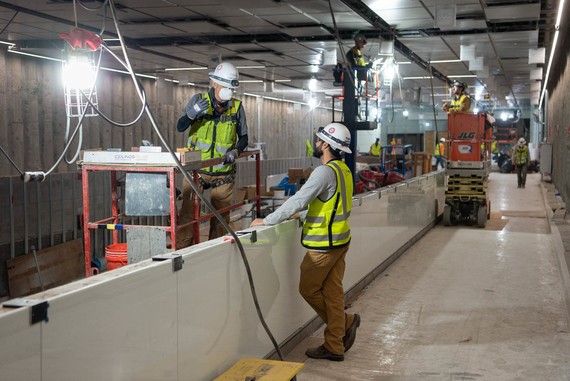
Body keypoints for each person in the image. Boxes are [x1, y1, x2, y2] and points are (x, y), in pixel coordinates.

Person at [250, 122, 360, 362]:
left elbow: (298, 200)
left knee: (308, 289)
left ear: (326, 145)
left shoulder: (323, 172)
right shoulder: (343, 169)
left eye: (319, 140)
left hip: (323, 245)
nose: (316, 143)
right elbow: (331, 203)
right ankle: (334, 345)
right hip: (341, 240)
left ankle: (345, 323)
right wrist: (306, 213)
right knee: (332, 293)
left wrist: (267, 221)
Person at [176, 62, 248, 248]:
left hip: (223, 173)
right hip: (196, 172)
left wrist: (236, 151)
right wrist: (192, 114)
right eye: (225, 87)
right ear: (214, 83)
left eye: (231, 88)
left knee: (221, 218)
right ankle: (182, 254)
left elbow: (244, 137)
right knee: (187, 216)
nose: (228, 93)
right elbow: (180, 126)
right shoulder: (198, 101)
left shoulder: (237, 108)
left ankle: (215, 252)